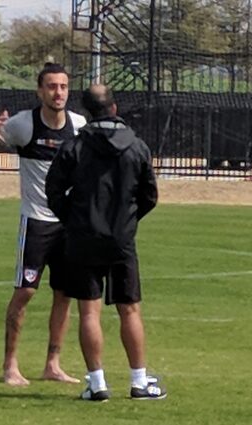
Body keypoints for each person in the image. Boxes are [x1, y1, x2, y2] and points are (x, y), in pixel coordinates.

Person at [45, 84, 164, 401]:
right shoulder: (137, 147)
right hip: (121, 240)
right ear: (114, 108)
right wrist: (128, 221)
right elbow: (150, 195)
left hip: (83, 237)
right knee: (130, 310)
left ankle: (97, 384)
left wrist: (73, 219)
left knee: (89, 312)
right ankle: (139, 382)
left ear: (87, 112)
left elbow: (53, 190)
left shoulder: (74, 146)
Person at [0, 63, 86, 387]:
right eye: (51, 86)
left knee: (64, 294)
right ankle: (10, 365)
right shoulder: (24, 124)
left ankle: (53, 363)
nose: (58, 92)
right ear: (40, 91)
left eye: (63, 86)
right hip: (36, 221)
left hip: (68, 224)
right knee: (25, 292)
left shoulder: (79, 125)